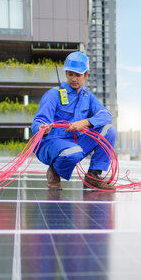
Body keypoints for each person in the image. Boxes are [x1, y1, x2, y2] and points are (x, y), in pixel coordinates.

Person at [31, 52, 116, 190]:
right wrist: (42, 128)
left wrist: (85, 122)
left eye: (78, 75)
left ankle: (93, 176)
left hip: (75, 142)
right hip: (52, 144)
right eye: (70, 74)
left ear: (86, 75)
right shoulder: (53, 94)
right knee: (73, 152)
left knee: (109, 130)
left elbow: (106, 115)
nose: (74, 79)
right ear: (66, 74)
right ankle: (54, 171)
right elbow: (38, 121)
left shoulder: (88, 97)